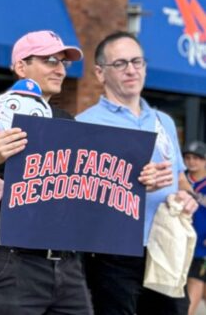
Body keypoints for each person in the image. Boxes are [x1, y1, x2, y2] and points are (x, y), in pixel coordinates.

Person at [0, 30, 92, 315]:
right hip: (15, 264)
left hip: (67, 264)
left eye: (63, 62)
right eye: (50, 60)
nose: (60, 69)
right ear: (20, 67)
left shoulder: (66, 121)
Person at [76, 31, 196, 315]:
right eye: (120, 64)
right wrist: (134, 185)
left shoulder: (163, 121)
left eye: (137, 62)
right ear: (100, 72)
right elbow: (77, 197)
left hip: (165, 246)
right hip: (113, 254)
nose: (131, 69)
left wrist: (188, 196)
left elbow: (180, 178)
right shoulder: (84, 125)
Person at [185, 141, 206, 315]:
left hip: (201, 244)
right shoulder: (179, 179)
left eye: (197, 158)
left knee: (196, 280)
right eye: (188, 157)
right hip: (180, 240)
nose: (192, 162)